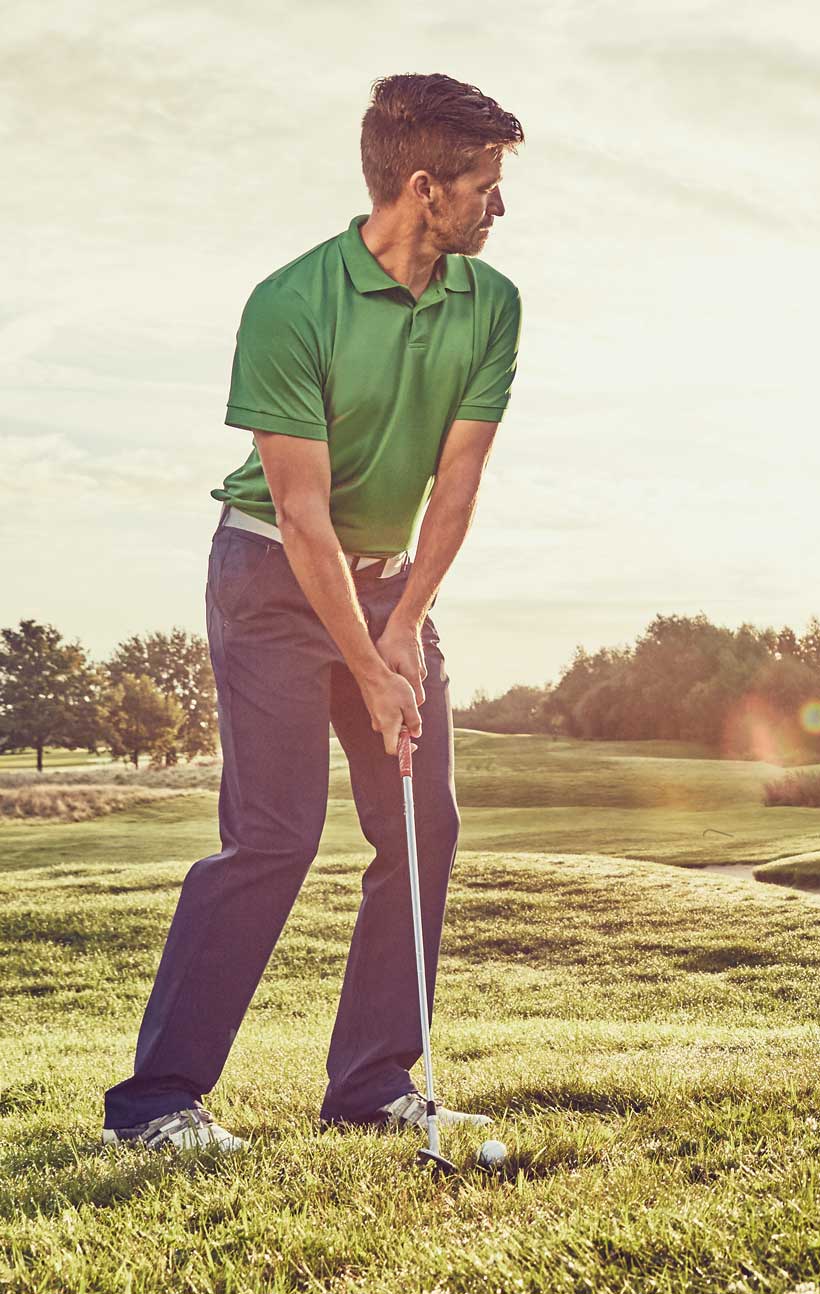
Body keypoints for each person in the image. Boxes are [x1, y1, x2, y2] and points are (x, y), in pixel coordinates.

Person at [101, 73, 524, 1153]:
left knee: (423, 827)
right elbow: (298, 513)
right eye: (483, 184)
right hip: (270, 578)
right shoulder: (292, 303)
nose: (499, 205)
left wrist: (405, 627)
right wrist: (368, 665)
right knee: (275, 835)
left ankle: (371, 1085)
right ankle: (154, 1104)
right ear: (422, 188)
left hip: (390, 584)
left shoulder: (492, 304)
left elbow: (458, 485)